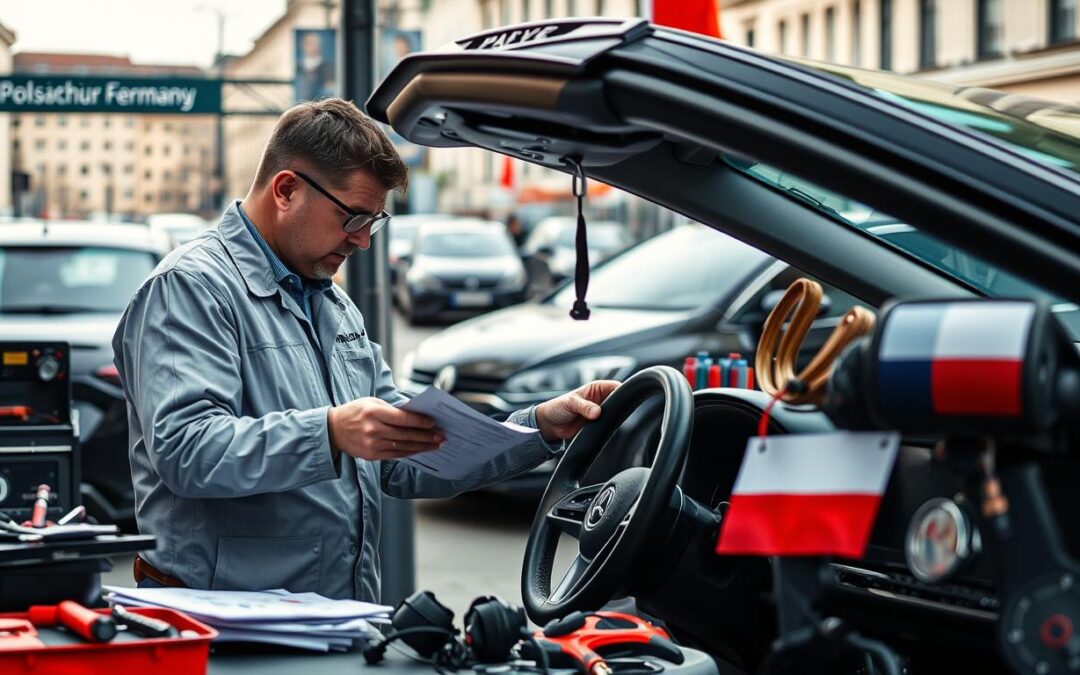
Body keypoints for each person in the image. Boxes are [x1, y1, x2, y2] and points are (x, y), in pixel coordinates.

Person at [112, 98, 618, 602]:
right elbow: (186, 450)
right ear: (286, 190)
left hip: (335, 619)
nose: (363, 242)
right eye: (354, 218)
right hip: (228, 629)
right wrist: (331, 431)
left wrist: (538, 427)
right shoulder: (191, 289)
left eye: (374, 223)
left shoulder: (333, 305)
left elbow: (399, 456)